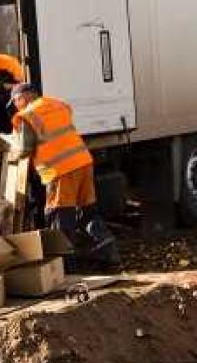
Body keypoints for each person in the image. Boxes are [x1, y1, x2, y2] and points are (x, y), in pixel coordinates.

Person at [8, 83, 120, 269]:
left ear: (22, 98)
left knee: (60, 217)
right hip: (83, 163)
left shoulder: (28, 115)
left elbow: (25, 149)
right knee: (87, 213)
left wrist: (12, 150)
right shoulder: (57, 104)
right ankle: (109, 252)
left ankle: (68, 268)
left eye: (15, 102)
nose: (15, 107)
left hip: (60, 170)